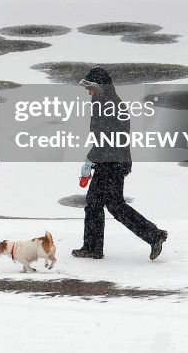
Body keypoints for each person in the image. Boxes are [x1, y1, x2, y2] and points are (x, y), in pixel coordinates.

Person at [72, 67, 168, 260]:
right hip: (110, 161)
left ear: (100, 87)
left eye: (91, 88)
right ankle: (93, 247)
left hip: (112, 162)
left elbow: (109, 138)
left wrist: (90, 159)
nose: (88, 92)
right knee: (97, 204)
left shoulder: (111, 105)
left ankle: (153, 235)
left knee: (111, 205)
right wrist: (93, 158)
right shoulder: (102, 102)